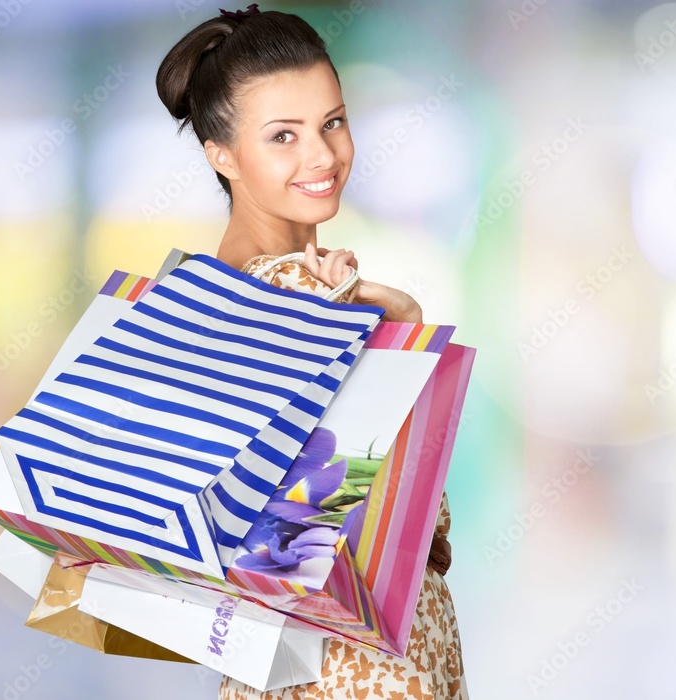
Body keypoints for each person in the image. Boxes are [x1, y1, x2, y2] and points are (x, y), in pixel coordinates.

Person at [154, 6, 469, 699]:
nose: (322, 156)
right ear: (222, 155)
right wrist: (406, 323)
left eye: (332, 121)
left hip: (271, 665)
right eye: (283, 136)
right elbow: (406, 522)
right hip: (360, 665)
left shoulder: (203, 293)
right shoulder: (303, 297)